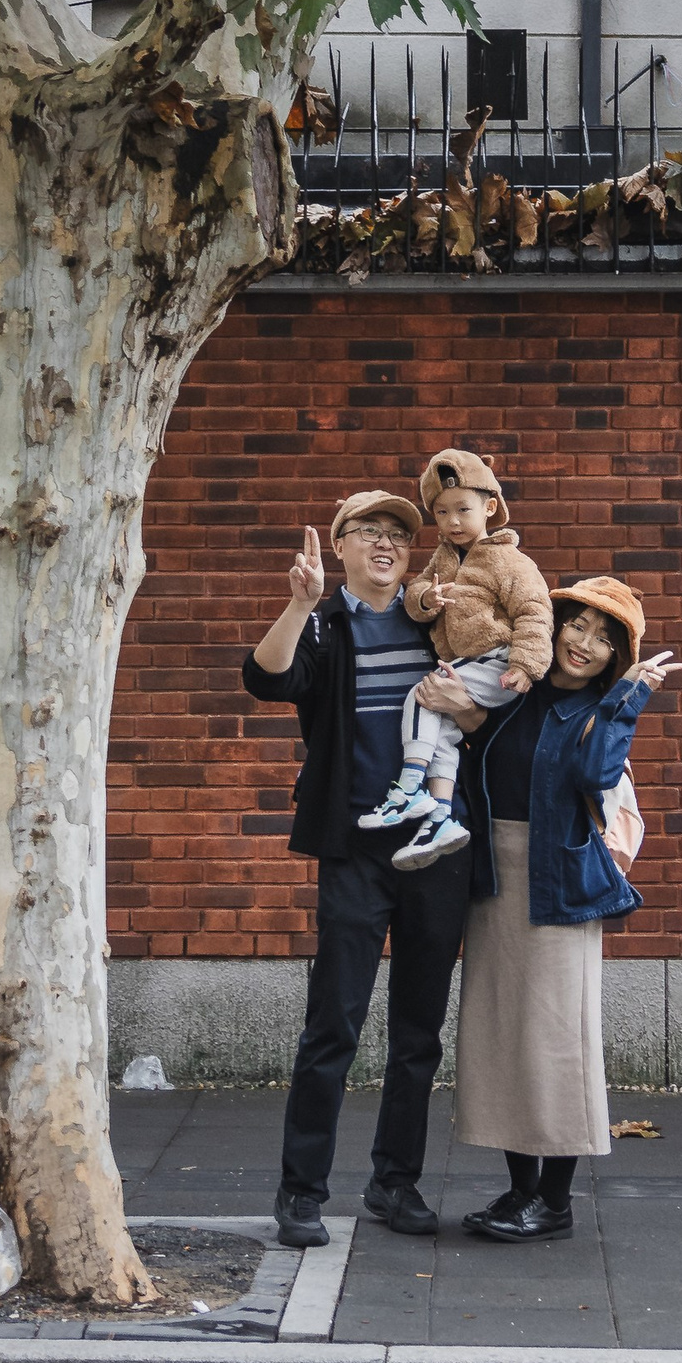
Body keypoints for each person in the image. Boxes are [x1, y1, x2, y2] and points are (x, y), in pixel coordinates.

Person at [242, 488, 471, 1248]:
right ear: (340, 547)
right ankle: (301, 1191)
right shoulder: (324, 624)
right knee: (332, 1023)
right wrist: (296, 606)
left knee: (418, 1033)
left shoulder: (435, 618)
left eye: (397, 535)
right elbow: (268, 680)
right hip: (356, 850)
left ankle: (393, 1183)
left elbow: (494, 697)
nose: (385, 543)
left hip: (435, 847)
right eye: (368, 531)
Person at [446, 577, 682, 1242]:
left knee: (557, 1043)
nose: (584, 644)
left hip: (560, 884)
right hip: (496, 878)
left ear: (615, 660)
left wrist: (627, 702)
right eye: (577, 625)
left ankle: (553, 1202)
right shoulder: (515, 690)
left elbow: (593, 777)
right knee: (504, 1038)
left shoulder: (599, 714)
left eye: (604, 640)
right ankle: (520, 1191)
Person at [358, 447, 554, 870]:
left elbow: (535, 611)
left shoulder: (509, 560)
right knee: (443, 730)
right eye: (442, 513)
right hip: (470, 666)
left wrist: (525, 664)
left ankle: (410, 786)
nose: (452, 522)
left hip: (498, 662)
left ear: (490, 507)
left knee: (424, 695)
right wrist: (427, 598)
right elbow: (413, 596)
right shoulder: (443, 558)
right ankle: (441, 817)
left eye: (463, 509)